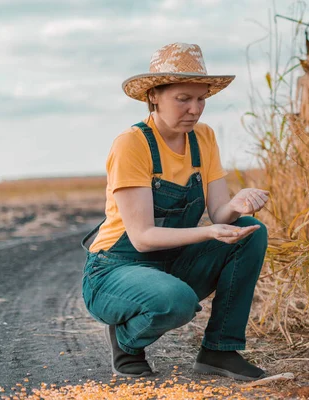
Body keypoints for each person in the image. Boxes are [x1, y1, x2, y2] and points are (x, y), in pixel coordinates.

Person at [80, 43, 270, 381]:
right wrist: (210, 232)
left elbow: (219, 214)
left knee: (250, 232)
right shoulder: (132, 144)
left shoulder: (204, 138)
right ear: (154, 95)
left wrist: (236, 205)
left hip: (171, 262)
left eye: (201, 99)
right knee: (176, 300)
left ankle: (220, 351)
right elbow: (141, 237)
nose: (194, 109)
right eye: (183, 98)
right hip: (115, 270)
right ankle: (126, 341)